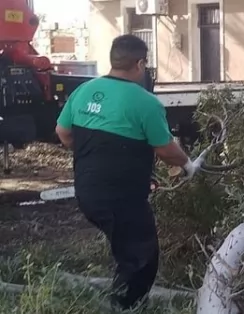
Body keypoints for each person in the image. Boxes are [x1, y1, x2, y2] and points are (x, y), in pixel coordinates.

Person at [54, 34, 197, 310]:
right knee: (141, 257)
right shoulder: (145, 102)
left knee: (127, 250)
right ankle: (123, 307)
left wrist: (94, 157)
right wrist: (188, 165)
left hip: (88, 192)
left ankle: (122, 299)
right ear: (140, 64)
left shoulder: (83, 91)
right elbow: (166, 149)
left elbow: (63, 132)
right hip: (121, 198)